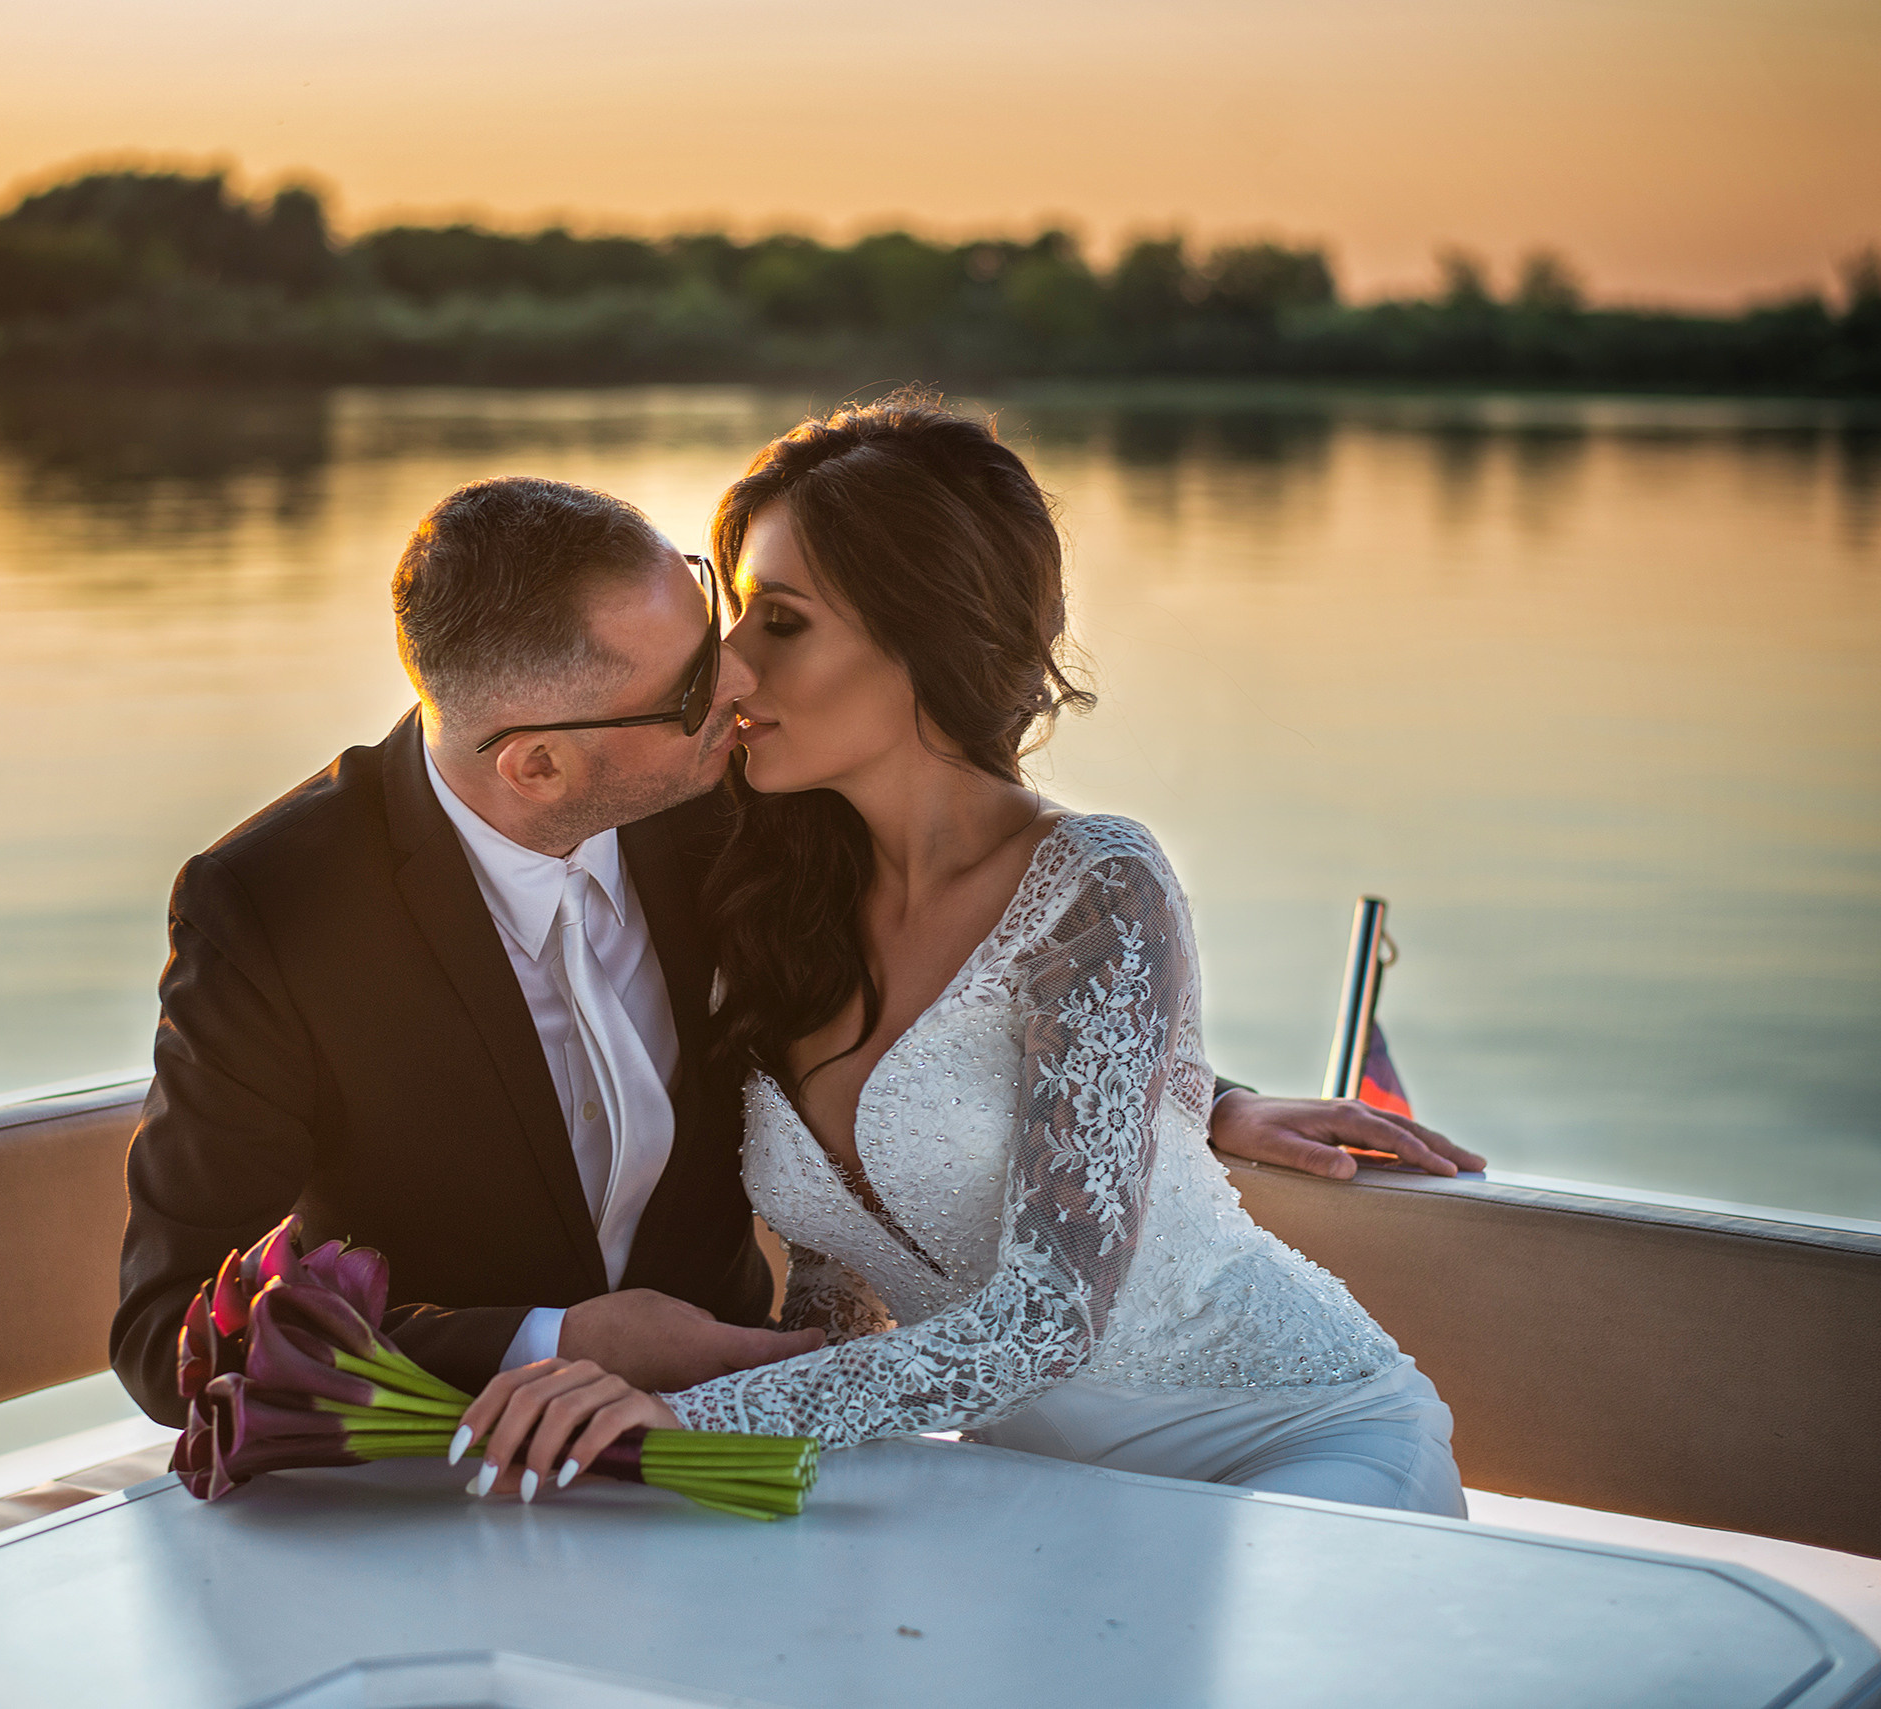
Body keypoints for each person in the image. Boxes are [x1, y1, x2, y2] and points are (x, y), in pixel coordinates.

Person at [112, 464, 1478, 1432]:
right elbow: (173, 1334)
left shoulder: (735, 811)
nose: (739, 696)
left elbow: (960, 975)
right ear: (538, 763)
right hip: (485, 1486)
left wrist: (1196, 1093)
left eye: (724, 628)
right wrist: (553, 1346)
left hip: (760, 1455)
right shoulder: (274, 911)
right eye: (695, 688)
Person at [453, 396, 1476, 1518]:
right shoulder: (769, 895)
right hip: (1023, 1471)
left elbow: (1048, 1315)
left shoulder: (1094, 883)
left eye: (779, 623)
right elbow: (841, 1275)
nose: (727, 669)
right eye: (735, 617)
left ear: (921, 633)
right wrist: (696, 1395)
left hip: (1287, 1439)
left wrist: (696, 1420)